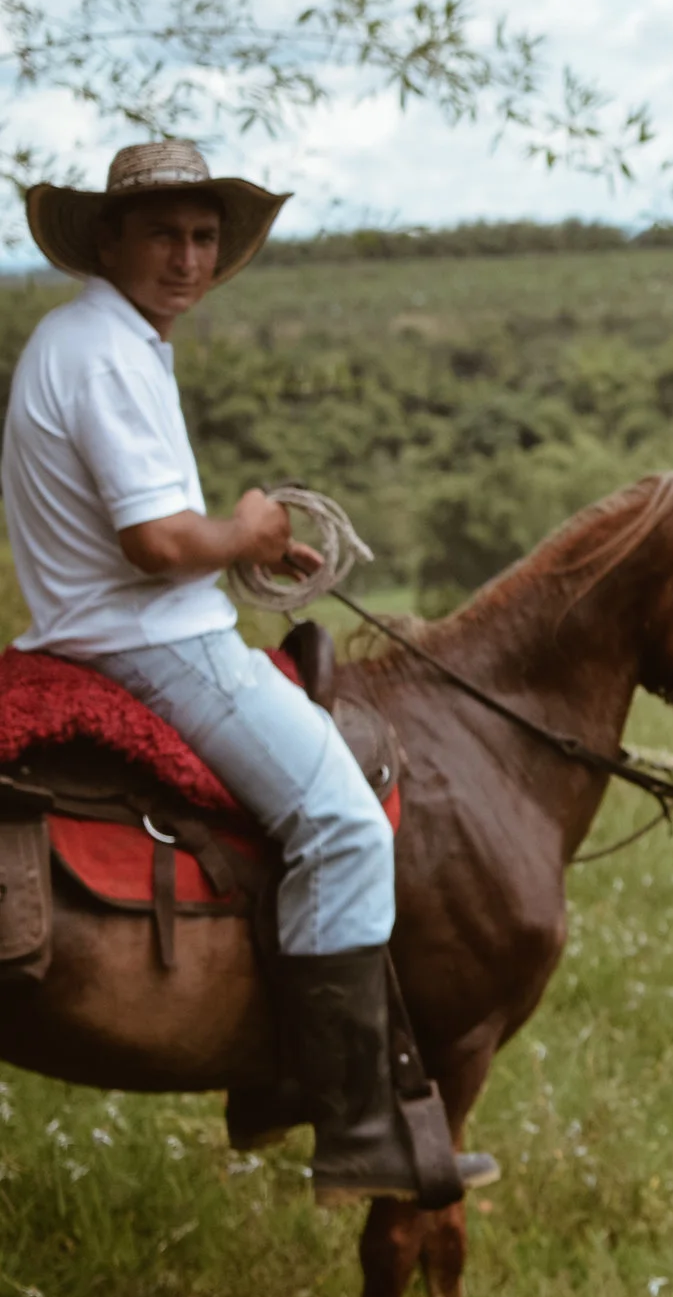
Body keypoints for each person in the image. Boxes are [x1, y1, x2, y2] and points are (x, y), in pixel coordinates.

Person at [6, 140, 495, 1204]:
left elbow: (151, 532)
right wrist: (245, 526)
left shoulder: (107, 339)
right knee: (344, 825)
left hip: (113, 628)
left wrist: (250, 547)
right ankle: (353, 1123)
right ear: (109, 240)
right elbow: (156, 544)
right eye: (164, 235)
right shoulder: (101, 349)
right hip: (153, 646)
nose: (187, 257)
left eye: (203, 237)